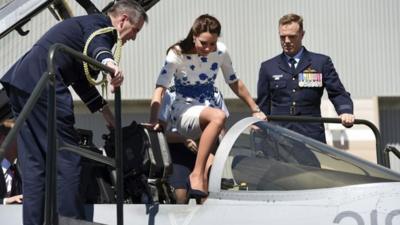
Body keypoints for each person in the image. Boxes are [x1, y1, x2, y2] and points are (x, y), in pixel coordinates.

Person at [0, 1, 147, 224]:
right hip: (44, 83)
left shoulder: (83, 28)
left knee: (35, 164)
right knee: (67, 157)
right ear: (123, 20)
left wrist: (105, 113)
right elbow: (99, 45)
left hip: (22, 81)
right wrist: (110, 65)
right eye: (135, 30)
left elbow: (80, 78)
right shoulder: (102, 26)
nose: (133, 38)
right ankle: (69, 219)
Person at [149, 14, 266, 199]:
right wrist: (153, 119)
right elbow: (160, 88)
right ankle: (197, 173)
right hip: (184, 109)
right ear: (194, 35)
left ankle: (202, 181)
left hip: (209, 107)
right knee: (218, 116)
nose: (208, 48)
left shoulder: (220, 52)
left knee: (209, 187)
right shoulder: (176, 54)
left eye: (212, 43)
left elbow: (234, 82)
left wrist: (255, 108)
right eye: (203, 43)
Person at [256, 13, 355, 143]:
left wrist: (345, 111)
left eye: (292, 36)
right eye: (282, 37)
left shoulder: (320, 63)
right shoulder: (268, 67)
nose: (286, 41)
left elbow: (337, 92)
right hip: (278, 138)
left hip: (311, 136)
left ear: (302, 35)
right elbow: (263, 106)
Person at [159, 87, 228, 204]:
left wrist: (220, 142)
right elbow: (161, 134)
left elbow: (221, 127)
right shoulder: (170, 94)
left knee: (206, 192)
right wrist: (184, 139)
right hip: (179, 149)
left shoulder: (215, 93)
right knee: (180, 196)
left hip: (207, 149)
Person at [0, 119, 23, 205]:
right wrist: (5, 201)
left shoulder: (19, 170)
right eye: (19, 137)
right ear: (3, 140)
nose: (23, 142)